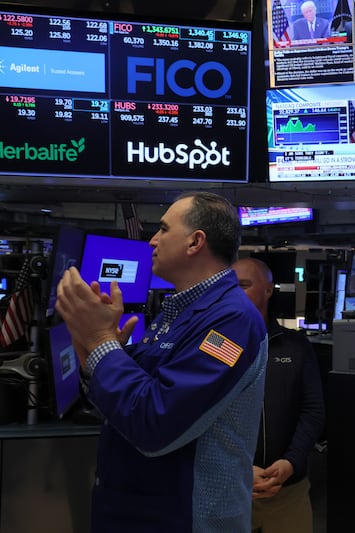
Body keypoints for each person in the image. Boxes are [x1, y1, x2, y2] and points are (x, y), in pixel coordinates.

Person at [55, 191, 268, 533]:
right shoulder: (182, 312)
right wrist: (92, 347)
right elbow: (128, 401)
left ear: (195, 242)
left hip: (183, 520)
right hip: (138, 512)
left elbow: (155, 423)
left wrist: (101, 343)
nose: (152, 240)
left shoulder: (232, 320)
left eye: (164, 229)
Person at [231, 258, 325, 533]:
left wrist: (291, 462)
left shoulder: (295, 346)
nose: (236, 294)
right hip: (230, 487)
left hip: (287, 489)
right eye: (231, 288)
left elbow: (313, 411)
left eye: (244, 286)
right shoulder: (216, 344)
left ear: (268, 290)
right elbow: (205, 413)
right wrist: (240, 467)